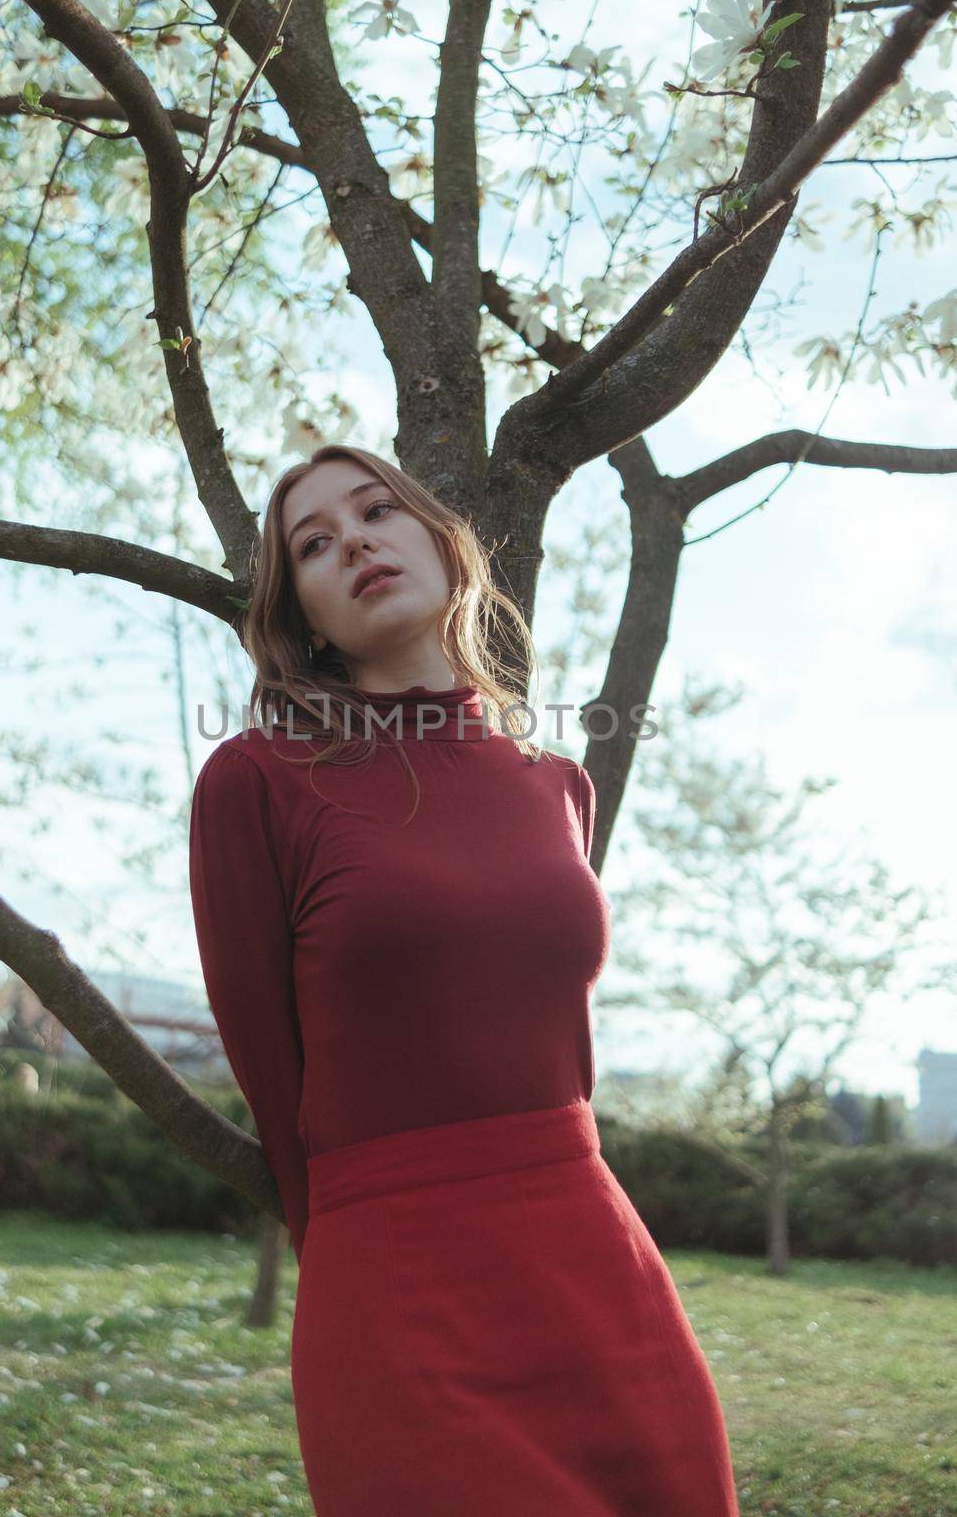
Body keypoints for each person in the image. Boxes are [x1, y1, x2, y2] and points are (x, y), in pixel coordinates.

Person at [188, 443, 740, 1516]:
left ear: (443, 545)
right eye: (312, 543)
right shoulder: (256, 781)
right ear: (299, 614)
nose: (352, 539)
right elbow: (268, 1069)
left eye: (374, 512)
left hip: (593, 1263)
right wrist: (340, 1261)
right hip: (394, 1284)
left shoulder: (557, 786)